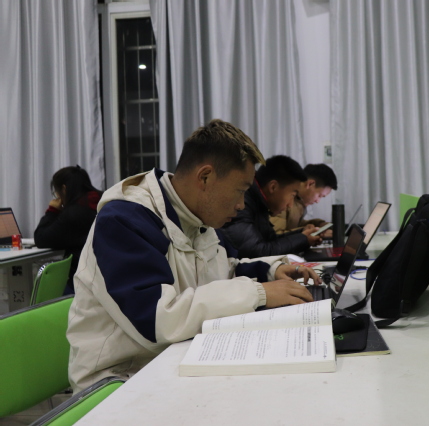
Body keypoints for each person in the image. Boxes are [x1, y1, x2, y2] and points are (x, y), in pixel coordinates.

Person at [66, 119, 320, 393]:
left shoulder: (197, 216)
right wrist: (259, 293)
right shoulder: (124, 220)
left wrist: (270, 272)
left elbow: (225, 271)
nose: (241, 204)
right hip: (120, 382)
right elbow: (157, 322)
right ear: (205, 177)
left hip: (176, 361)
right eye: (240, 191)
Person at [221, 155, 323, 258]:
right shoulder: (242, 202)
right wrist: (303, 239)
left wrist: (302, 234)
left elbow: (270, 240)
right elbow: (256, 251)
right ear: (273, 187)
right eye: (292, 195)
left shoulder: (259, 200)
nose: (290, 205)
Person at [34, 165, 102, 294]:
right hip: (110, 275)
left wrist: (52, 211)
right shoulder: (103, 201)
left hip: (84, 283)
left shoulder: (73, 214)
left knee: (53, 294)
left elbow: (41, 238)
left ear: (64, 189)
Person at [270, 163, 338, 237]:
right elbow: (274, 235)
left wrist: (319, 224)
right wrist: (308, 232)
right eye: (320, 196)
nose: (317, 201)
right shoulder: (283, 197)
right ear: (310, 184)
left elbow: (291, 223)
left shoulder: (298, 200)